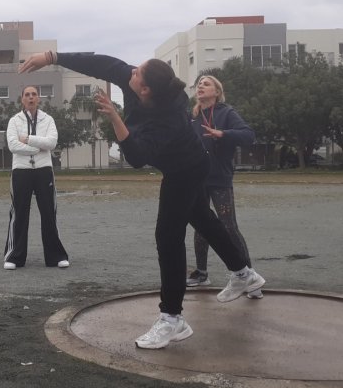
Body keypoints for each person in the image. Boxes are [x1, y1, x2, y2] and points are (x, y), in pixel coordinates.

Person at [19, 52, 265, 349]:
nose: (132, 71)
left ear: (146, 89)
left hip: (186, 171)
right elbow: (100, 64)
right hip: (186, 166)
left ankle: (172, 319)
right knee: (204, 220)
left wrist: (114, 117)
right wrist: (51, 57)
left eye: (138, 73)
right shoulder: (134, 79)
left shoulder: (169, 117)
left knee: (168, 237)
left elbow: (136, 157)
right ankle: (244, 273)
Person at [186, 75, 263, 299]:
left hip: (220, 178)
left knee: (228, 227)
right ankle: (201, 274)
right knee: (201, 226)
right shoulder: (192, 116)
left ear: (217, 92)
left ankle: (250, 279)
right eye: (199, 84)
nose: (201, 86)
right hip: (197, 179)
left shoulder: (226, 113)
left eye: (206, 83)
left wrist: (223, 134)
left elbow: (249, 135)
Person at [4, 85, 69, 270]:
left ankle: (55, 256)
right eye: (27, 94)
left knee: (49, 212)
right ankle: (14, 257)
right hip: (21, 171)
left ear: (38, 98)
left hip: (43, 170)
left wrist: (28, 139)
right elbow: (13, 145)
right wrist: (37, 148)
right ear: (22, 99)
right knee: (19, 213)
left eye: (34, 94)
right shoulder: (14, 121)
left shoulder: (48, 120)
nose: (31, 97)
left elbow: (51, 142)